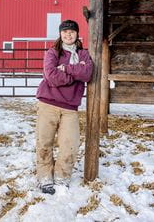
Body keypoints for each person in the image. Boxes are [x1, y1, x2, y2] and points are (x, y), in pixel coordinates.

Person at [36, 20, 93, 195]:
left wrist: (66, 68)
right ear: (60, 34)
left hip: (70, 107)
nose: (68, 35)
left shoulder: (83, 54)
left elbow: (88, 73)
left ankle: (62, 177)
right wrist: (74, 75)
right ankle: (45, 177)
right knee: (44, 142)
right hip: (48, 103)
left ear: (77, 34)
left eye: (72, 32)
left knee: (70, 144)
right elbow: (51, 76)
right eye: (65, 32)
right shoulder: (52, 52)